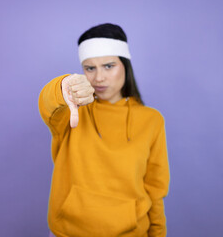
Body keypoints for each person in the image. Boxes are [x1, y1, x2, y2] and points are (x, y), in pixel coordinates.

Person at [38, 23, 170, 237]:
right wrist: (64, 87)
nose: (98, 78)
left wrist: (158, 233)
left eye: (109, 66)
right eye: (90, 68)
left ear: (125, 65)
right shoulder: (72, 113)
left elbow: (155, 190)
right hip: (69, 232)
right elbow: (48, 104)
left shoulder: (152, 120)